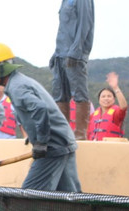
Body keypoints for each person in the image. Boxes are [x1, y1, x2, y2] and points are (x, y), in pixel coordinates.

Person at [0, 42, 82, 192]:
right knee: (69, 195)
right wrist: (33, 135)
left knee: (29, 194)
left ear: (2, 67)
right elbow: (34, 112)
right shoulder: (18, 82)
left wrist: (41, 142)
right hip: (63, 141)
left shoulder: (17, 87)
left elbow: (40, 109)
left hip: (53, 146)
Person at [50, 0, 95, 139]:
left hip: (75, 53)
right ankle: (62, 134)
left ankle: (80, 134)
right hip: (60, 53)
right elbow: (63, 30)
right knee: (60, 94)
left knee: (79, 92)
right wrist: (55, 53)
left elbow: (85, 24)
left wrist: (76, 50)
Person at [87, 72, 128, 141]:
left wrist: (115, 87)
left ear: (114, 99)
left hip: (111, 147)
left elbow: (124, 106)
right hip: (94, 147)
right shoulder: (93, 115)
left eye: (109, 96)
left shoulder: (116, 113)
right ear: (99, 100)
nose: (106, 98)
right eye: (103, 96)